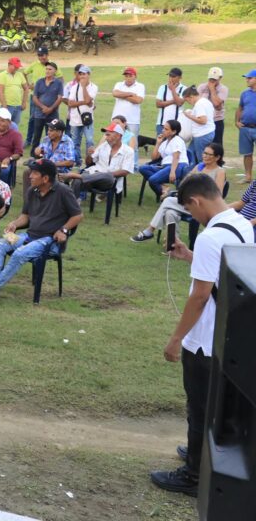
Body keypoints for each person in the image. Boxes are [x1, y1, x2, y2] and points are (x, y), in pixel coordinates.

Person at [150, 173, 254, 496]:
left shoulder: (209, 237)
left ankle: (193, 475)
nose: (193, 217)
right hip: (228, 333)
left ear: (195, 201)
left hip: (204, 339)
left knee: (199, 407)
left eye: (189, 210)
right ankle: (203, 452)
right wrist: (189, 256)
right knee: (216, 405)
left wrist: (176, 338)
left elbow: (200, 296)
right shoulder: (241, 224)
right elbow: (225, 271)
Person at [0, 159, 82, 302]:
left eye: (34, 173)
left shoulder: (63, 191)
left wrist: (63, 230)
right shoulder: (32, 191)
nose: (30, 176)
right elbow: (25, 216)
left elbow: (78, 215)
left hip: (50, 240)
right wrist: (15, 224)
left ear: (45, 178)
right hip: (29, 236)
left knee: (19, 253)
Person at [132, 143, 225, 243]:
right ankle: (173, 243)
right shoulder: (199, 167)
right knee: (170, 213)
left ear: (217, 157)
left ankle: (150, 230)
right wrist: (179, 193)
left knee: (168, 200)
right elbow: (185, 183)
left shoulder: (219, 171)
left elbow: (217, 194)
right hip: (189, 202)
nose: (205, 156)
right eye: (204, 153)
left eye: (209, 154)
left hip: (203, 207)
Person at [64, 121, 135, 201]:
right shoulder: (103, 146)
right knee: (77, 181)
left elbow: (125, 171)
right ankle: (72, 205)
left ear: (118, 136)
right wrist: (89, 155)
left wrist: (104, 174)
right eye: (106, 135)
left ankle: (78, 176)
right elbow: (89, 163)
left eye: (108, 135)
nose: (106, 137)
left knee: (108, 176)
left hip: (109, 181)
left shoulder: (128, 151)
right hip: (93, 176)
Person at [140, 119, 189, 198]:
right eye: (163, 128)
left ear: (173, 132)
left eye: (166, 129)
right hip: (164, 167)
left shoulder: (177, 140)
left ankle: (166, 194)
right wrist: (158, 143)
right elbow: (154, 158)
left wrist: (172, 172)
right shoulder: (164, 142)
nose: (163, 130)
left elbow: (176, 157)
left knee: (152, 180)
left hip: (177, 166)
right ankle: (164, 189)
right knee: (143, 168)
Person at [64, 64, 98, 165]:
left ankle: (89, 162)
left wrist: (83, 88)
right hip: (75, 119)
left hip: (87, 119)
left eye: (84, 74)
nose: (82, 76)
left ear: (89, 75)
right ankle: (77, 162)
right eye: (80, 74)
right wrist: (85, 102)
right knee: (75, 142)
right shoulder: (74, 87)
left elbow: (88, 99)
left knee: (89, 141)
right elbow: (70, 103)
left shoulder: (93, 87)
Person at [27, 62, 64, 150]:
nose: (47, 71)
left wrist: (51, 109)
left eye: (50, 69)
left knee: (52, 136)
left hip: (52, 115)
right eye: (46, 69)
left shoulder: (58, 83)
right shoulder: (39, 82)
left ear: (55, 71)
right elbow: (35, 97)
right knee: (36, 136)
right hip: (39, 114)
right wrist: (43, 107)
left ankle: (50, 153)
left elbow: (59, 98)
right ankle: (34, 155)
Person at [182, 86, 216, 165]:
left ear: (191, 97)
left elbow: (203, 120)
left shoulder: (199, 105)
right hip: (207, 133)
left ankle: (203, 171)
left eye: (187, 100)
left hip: (202, 135)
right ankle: (194, 170)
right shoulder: (205, 101)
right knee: (190, 153)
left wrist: (189, 116)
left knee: (201, 159)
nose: (188, 102)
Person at [198, 67, 228, 146]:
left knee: (216, 146)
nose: (212, 81)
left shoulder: (223, 89)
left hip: (216, 121)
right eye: (210, 78)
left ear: (220, 78)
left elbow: (216, 104)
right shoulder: (201, 87)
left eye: (214, 79)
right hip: (203, 120)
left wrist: (212, 89)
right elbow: (196, 103)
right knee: (202, 145)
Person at [111, 67, 145, 136]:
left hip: (132, 120)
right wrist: (130, 94)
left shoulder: (140, 86)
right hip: (117, 119)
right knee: (115, 139)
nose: (128, 78)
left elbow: (138, 100)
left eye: (130, 76)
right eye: (126, 76)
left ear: (135, 76)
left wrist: (121, 95)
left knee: (133, 141)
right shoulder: (119, 84)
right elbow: (115, 94)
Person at [0, 57, 29, 126]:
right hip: (8, 106)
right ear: (9, 65)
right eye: (15, 66)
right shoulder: (2, 75)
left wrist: (24, 102)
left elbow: (26, 88)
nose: (17, 68)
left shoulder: (20, 75)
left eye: (18, 67)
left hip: (18, 106)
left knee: (15, 127)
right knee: (4, 126)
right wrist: (4, 106)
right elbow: (0, 92)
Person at [155, 67, 186, 138]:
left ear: (180, 77)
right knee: (161, 143)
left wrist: (173, 90)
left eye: (173, 76)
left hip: (177, 124)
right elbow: (158, 104)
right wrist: (173, 101)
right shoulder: (163, 87)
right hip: (162, 124)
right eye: (170, 76)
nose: (171, 78)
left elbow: (179, 103)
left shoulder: (184, 89)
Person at [237, 69, 256, 184]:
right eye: (246, 78)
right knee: (247, 154)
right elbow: (240, 108)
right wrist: (237, 121)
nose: (247, 80)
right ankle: (248, 177)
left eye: (249, 78)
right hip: (245, 128)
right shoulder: (245, 93)